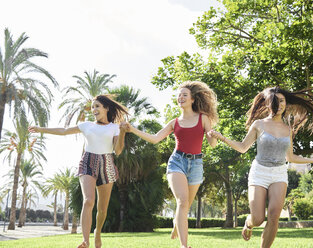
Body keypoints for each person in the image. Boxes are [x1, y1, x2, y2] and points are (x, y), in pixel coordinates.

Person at [208, 86, 313, 248]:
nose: (280, 104)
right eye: (275, 101)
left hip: (279, 173)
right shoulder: (259, 124)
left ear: (286, 103)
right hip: (259, 172)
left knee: (274, 216)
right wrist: (222, 138)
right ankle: (249, 223)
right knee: (258, 218)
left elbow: (290, 157)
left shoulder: (287, 129)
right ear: (268, 104)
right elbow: (243, 147)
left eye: (282, 100)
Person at [122, 81, 218, 248]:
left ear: (193, 99)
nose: (180, 97)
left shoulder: (203, 118)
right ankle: (184, 245)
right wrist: (133, 129)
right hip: (177, 162)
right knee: (182, 201)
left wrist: (213, 135)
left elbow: (213, 144)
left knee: (185, 205)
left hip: (196, 164)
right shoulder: (175, 122)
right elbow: (155, 138)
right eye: (179, 95)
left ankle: (176, 222)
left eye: (184, 95)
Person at [28, 95, 128, 248]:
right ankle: (85, 241)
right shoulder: (87, 125)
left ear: (106, 108)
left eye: (97, 106)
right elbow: (64, 130)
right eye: (93, 107)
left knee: (102, 210)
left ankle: (98, 231)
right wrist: (41, 129)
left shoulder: (114, 127)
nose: (94, 109)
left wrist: (122, 133)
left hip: (107, 164)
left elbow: (118, 150)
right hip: (87, 162)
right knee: (88, 201)